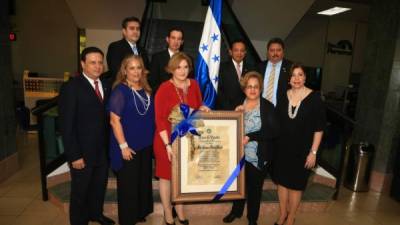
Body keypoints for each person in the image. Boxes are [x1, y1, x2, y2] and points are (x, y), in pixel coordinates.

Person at [59, 47, 115, 225]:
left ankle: (96, 214)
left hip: (102, 151)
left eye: (100, 62)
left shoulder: (106, 85)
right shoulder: (71, 87)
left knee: (99, 187)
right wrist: (74, 155)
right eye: (93, 62)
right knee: (80, 193)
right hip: (82, 152)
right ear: (83, 64)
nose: (98, 66)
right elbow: (66, 125)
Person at [154, 52, 209, 225]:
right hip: (166, 140)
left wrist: (203, 108)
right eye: (178, 67)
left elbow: (197, 106)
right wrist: (168, 145)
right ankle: (168, 212)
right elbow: (160, 119)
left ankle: (180, 209)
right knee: (166, 177)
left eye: (186, 67)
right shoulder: (164, 87)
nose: (182, 71)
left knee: (182, 176)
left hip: (187, 139)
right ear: (171, 68)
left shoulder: (194, 84)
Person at [222, 72, 279, 225]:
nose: (252, 90)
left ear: (260, 89)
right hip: (238, 155)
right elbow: (227, 126)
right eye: (249, 87)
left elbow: (273, 131)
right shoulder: (237, 102)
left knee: (254, 190)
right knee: (238, 187)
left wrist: (251, 136)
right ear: (244, 88)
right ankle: (236, 212)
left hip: (257, 156)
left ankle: (252, 219)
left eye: (256, 87)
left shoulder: (267, 106)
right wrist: (235, 114)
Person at [273, 64, 326, 225]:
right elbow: (277, 121)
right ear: (289, 79)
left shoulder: (315, 98)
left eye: (300, 75)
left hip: (303, 151)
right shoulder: (283, 96)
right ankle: (282, 214)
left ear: (305, 78)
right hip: (282, 149)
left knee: (296, 186)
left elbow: (319, 128)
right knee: (281, 183)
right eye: (294, 75)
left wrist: (313, 152)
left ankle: (291, 218)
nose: (297, 78)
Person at [108, 55, 154, 225]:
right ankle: (128, 219)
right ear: (124, 70)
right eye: (132, 68)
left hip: (145, 144)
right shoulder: (120, 90)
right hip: (128, 146)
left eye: (139, 67)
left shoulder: (146, 89)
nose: (136, 71)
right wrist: (123, 146)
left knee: (141, 182)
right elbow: (114, 120)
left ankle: (139, 213)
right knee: (128, 186)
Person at [107, 16, 149, 85]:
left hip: (140, 87)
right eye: (132, 28)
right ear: (124, 31)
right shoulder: (115, 47)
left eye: (138, 29)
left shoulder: (143, 50)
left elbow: (145, 70)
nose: (135, 31)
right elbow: (116, 71)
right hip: (123, 88)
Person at [216, 40, 254, 110]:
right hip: (226, 111)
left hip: (246, 110)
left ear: (245, 53)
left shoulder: (252, 69)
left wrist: (246, 106)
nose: (239, 53)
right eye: (236, 50)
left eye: (242, 50)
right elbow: (218, 90)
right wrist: (230, 109)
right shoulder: (221, 68)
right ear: (230, 52)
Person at [257, 37, 292, 107]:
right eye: (272, 50)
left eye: (278, 50)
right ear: (267, 52)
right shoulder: (259, 67)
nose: (275, 53)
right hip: (261, 107)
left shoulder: (291, 67)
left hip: (282, 109)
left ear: (283, 52)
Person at [149, 27, 184, 93]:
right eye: (173, 38)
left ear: (182, 42)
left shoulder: (187, 59)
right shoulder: (157, 57)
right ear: (167, 39)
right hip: (161, 95)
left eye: (179, 39)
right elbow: (152, 81)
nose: (176, 42)